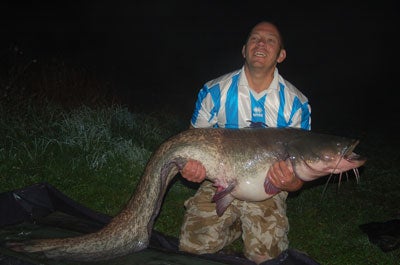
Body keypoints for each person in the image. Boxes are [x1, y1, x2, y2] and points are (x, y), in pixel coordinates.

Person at [178, 21, 311, 264]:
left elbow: (300, 171)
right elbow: (192, 142)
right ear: (244, 49)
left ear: (281, 55)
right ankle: (236, 228)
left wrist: (293, 183)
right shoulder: (214, 91)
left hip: (269, 188)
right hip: (220, 179)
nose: (261, 43)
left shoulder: (297, 104)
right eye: (254, 38)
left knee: (266, 257)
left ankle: (244, 225)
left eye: (270, 40)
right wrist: (189, 166)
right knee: (191, 248)